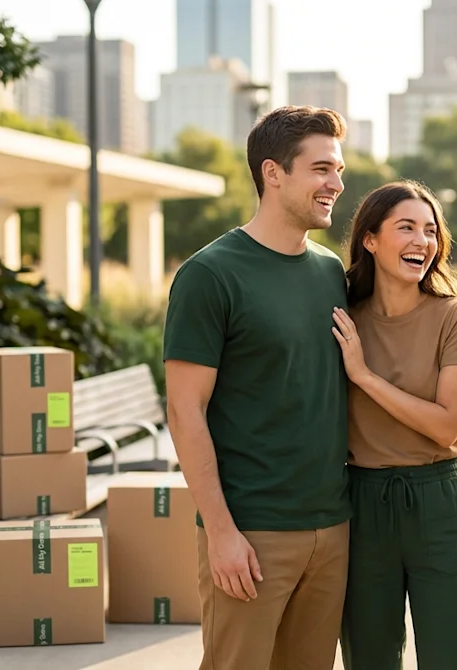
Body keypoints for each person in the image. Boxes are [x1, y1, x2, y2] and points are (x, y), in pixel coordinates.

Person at [162, 105, 352, 670]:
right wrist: (220, 532)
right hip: (252, 532)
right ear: (273, 173)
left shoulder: (329, 273)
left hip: (332, 526)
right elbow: (184, 409)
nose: (336, 184)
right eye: (321, 169)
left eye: (338, 170)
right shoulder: (210, 274)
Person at [332, 180, 457, 670]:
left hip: (438, 503)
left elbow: (446, 425)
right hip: (361, 505)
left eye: (430, 230)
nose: (422, 241)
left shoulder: (455, 316)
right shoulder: (342, 317)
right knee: (369, 658)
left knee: (452, 656)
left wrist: (363, 375)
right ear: (370, 240)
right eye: (406, 228)